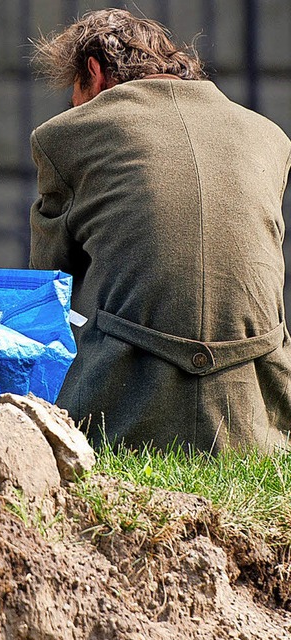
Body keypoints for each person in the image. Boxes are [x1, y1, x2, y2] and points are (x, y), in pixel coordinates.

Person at [28, 8, 291, 453]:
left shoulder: (67, 135)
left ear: (93, 70)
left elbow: (49, 289)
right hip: (258, 420)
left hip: (121, 421)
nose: (74, 108)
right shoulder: (268, 135)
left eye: (75, 94)